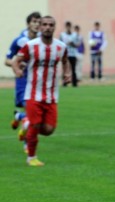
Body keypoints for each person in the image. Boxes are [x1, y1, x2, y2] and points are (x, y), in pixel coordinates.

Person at [12, 15, 71, 167]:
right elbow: (15, 61)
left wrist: (67, 73)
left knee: (48, 130)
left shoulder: (60, 47)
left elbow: (66, 61)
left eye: (50, 25)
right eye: (44, 24)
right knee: (36, 126)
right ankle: (31, 157)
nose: (47, 27)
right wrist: (17, 70)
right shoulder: (31, 45)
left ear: (54, 27)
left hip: (52, 96)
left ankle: (24, 122)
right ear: (40, 27)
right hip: (32, 94)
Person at [5, 11, 41, 152]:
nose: (37, 25)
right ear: (28, 24)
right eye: (34, 22)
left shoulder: (42, 42)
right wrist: (17, 64)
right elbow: (7, 60)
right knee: (32, 116)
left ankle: (18, 116)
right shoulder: (19, 40)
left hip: (37, 83)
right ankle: (26, 143)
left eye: (39, 22)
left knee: (37, 116)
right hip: (23, 82)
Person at [59, 21, 80, 87]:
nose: (68, 27)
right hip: (65, 55)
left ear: (71, 27)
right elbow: (59, 44)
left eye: (69, 26)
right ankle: (65, 83)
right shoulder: (62, 35)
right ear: (66, 27)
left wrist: (72, 43)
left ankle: (74, 83)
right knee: (65, 69)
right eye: (67, 26)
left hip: (73, 54)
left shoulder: (75, 35)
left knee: (73, 70)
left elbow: (77, 45)